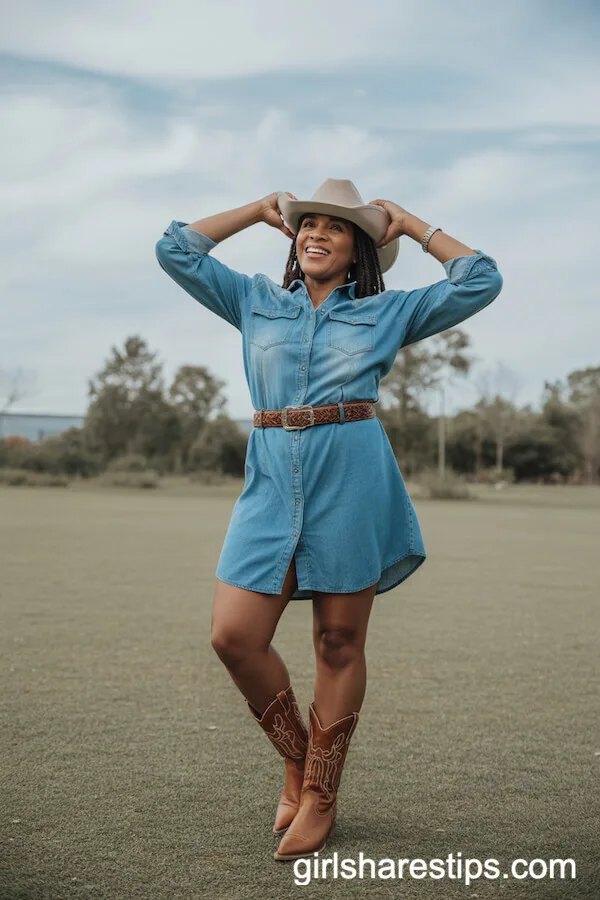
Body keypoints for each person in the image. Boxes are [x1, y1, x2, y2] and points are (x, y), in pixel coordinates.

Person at [155, 179, 503, 861]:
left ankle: (320, 794)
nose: (317, 233)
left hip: (352, 477)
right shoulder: (253, 299)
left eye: (337, 228)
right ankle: (297, 761)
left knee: (338, 643)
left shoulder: (387, 313)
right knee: (234, 637)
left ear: (359, 250)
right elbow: (177, 250)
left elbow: (479, 279)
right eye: (307, 223)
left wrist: (412, 223)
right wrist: (257, 211)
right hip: (268, 480)